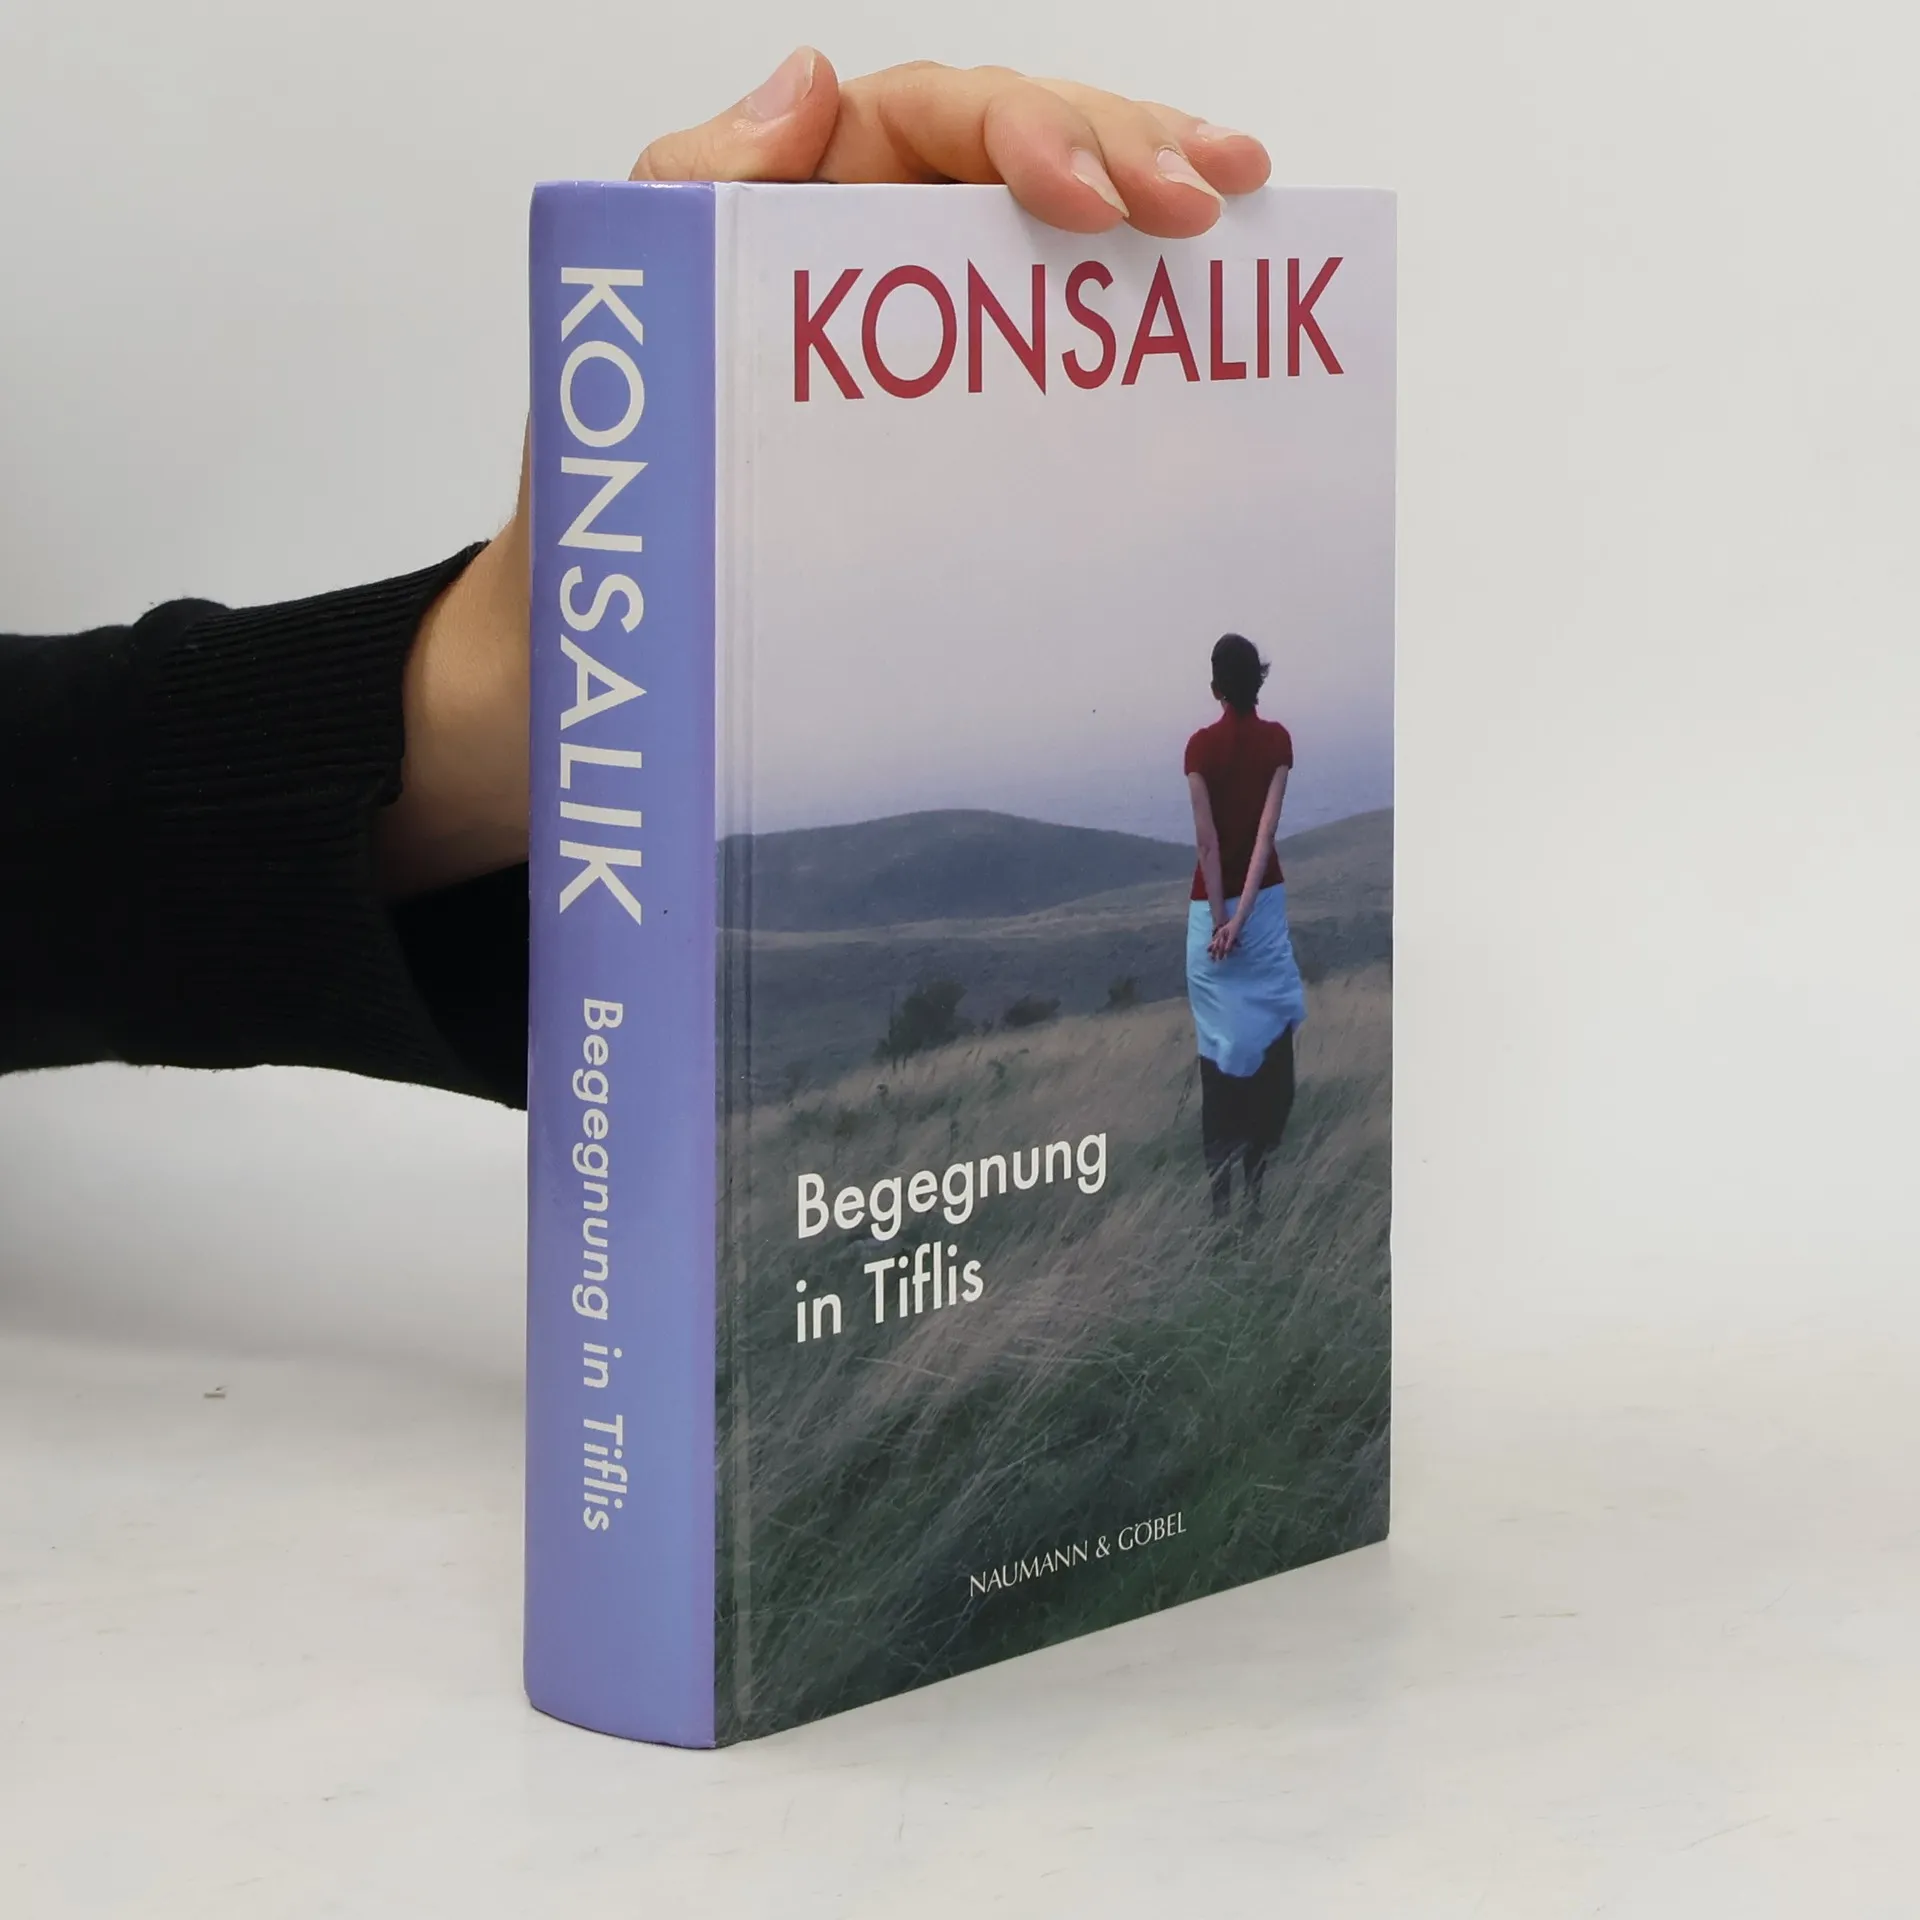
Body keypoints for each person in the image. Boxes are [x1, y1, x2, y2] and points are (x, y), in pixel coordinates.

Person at [0, 54, 1271, 1103]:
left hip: (1215, 907)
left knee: (1227, 1073)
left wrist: (494, 704)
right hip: (1249, 908)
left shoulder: (1201, 749)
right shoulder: (1262, 742)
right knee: (1254, 1069)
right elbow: (1251, 836)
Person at [1183, 632, 1307, 1220]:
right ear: (1258, 680)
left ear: (1215, 688)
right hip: (1264, 912)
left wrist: (1219, 922)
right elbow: (1266, 835)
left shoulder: (1199, 749)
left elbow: (1208, 844)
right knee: (1268, 1047)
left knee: (1218, 1056)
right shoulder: (1278, 741)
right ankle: (1257, 1192)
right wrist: (1243, 919)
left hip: (1208, 917)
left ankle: (1221, 1205)